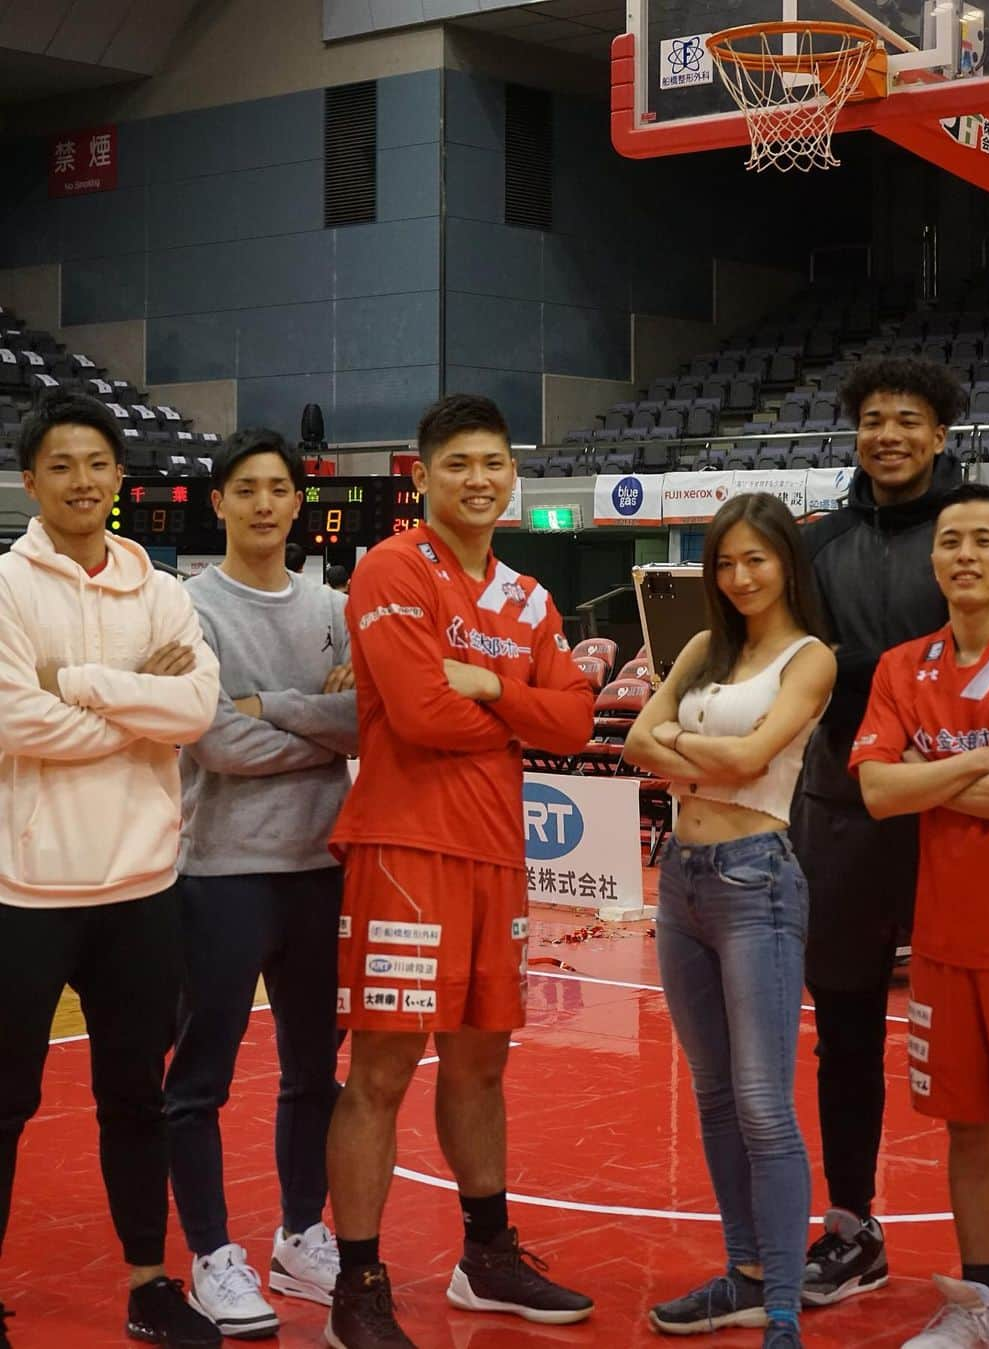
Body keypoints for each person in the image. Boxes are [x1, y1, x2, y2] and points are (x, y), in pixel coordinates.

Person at [324, 393, 596, 1349]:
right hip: (404, 850)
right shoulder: (393, 567)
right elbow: (418, 714)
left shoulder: (529, 597)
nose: (479, 479)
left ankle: (486, 1256)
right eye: (459, 464)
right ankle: (356, 1285)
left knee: (483, 1067)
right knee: (383, 1071)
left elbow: (576, 723)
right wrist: (519, 704)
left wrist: (487, 684)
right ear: (421, 474)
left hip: (496, 857)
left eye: (494, 463)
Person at [789, 357, 989, 1306]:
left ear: (939, 435)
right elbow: (797, 660)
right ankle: (851, 1224)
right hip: (842, 806)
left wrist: (862, 671)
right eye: (873, 418)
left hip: (958, 814)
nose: (888, 433)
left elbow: (986, 650)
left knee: (986, 1034)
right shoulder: (818, 542)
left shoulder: (972, 531)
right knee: (842, 1027)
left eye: (908, 420)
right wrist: (891, 671)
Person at [0, 392, 221, 1347]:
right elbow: (12, 717)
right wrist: (141, 704)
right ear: (30, 480)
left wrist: (77, 684)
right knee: (5, 1102)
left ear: (118, 478)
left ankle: (148, 1283)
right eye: (61, 465)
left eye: (96, 463)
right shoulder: (7, 587)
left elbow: (198, 709)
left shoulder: (163, 588)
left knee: (135, 1096)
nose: (82, 480)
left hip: (142, 887)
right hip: (27, 889)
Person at [851, 482, 989, 1349]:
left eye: (985, 539)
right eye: (950, 540)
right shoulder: (902, 666)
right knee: (969, 1129)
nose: (964, 554)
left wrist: (931, 772)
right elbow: (875, 791)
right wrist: (984, 755)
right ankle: (986, 1309)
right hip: (945, 943)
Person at [625, 493, 837, 1349]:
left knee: (761, 1103)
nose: (740, 575)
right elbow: (636, 737)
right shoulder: (707, 647)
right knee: (713, 1094)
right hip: (680, 882)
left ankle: (782, 1310)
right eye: (725, 561)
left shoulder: (809, 658)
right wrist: (679, 742)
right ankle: (745, 1277)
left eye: (756, 558)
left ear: (787, 560)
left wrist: (681, 746)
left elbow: (752, 759)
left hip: (760, 882)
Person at [165, 429, 357, 1339]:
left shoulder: (335, 606)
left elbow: (366, 721)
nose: (266, 504)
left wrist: (271, 705)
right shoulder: (188, 608)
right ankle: (209, 1254)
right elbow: (214, 741)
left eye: (279, 488)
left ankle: (301, 1232)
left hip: (321, 871)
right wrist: (314, 722)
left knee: (313, 1073)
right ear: (221, 501)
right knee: (201, 1078)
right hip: (222, 874)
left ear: (296, 500)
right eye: (247, 488)